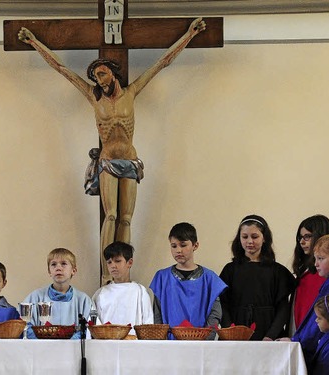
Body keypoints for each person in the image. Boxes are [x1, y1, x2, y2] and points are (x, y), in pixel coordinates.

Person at [17, 18, 208, 284]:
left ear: (113, 73)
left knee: (126, 219)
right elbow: (61, 69)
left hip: (130, 160)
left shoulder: (131, 92)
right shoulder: (93, 97)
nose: (99, 79)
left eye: (102, 74)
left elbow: (162, 63)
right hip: (107, 161)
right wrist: (34, 42)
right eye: (96, 76)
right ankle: (107, 272)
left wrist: (189, 35)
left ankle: (124, 272)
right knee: (111, 216)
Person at [219, 215, 295, 341]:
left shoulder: (277, 271)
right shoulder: (230, 270)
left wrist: (270, 336)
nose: (250, 241)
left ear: (264, 238)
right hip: (236, 334)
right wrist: (230, 331)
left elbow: (283, 308)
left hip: (268, 333)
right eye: (245, 237)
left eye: (254, 237)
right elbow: (223, 305)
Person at [150, 222, 226, 340]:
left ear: (195, 245)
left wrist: (205, 340)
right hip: (169, 345)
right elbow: (157, 314)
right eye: (174, 246)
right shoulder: (162, 278)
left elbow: (215, 314)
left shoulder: (209, 279)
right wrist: (161, 341)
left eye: (183, 245)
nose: (178, 250)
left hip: (200, 344)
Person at [285, 234, 329, 362]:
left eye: (320, 258)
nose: (316, 264)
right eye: (315, 259)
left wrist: (298, 341)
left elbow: (321, 320)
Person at [23, 248, 94, 339]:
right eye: (53, 264)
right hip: (41, 350)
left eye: (64, 264)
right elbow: (26, 326)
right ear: (49, 271)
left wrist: (68, 344)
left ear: (73, 270)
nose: (58, 268)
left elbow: (88, 328)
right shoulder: (35, 297)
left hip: (73, 350)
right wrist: (42, 344)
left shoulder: (83, 300)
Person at [91, 241, 153, 336]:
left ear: (130, 262)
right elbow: (94, 322)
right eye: (109, 262)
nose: (113, 266)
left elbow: (148, 322)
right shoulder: (100, 293)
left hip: (134, 344)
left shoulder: (140, 291)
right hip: (106, 343)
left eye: (118, 261)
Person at [289, 215, 329, 335]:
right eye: (300, 237)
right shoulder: (305, 271)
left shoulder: (325, 275)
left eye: (307, 237)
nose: (301, 242)